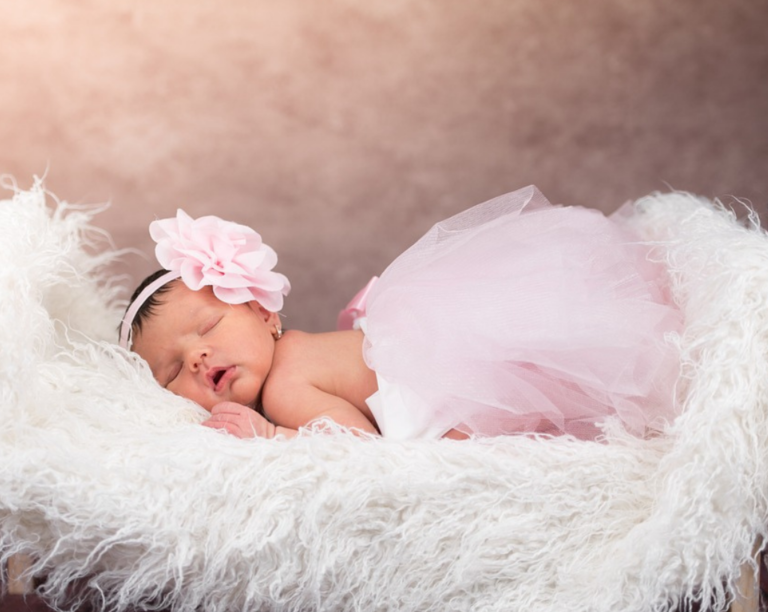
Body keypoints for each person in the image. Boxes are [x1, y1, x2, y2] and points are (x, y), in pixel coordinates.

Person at [120, 186, 683, 442]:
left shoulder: (287, 386)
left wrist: (271, 437)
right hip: (445, 360)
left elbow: (357, 452)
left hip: (446, 395)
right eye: (170, 372)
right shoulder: (298, 357)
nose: (196, 357)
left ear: (264, 313)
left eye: (209, 328)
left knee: (519, 422)